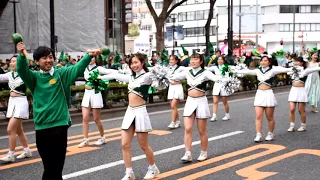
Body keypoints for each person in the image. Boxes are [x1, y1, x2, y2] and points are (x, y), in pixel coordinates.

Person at [16, 42, 103, 180]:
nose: (49, 60)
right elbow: (22, 70)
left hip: (59, 126)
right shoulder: (34, 78)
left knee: (54, 168)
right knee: (48, 167)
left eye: (50, 57)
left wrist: (89, 56)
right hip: (41, 126)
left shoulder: (61, 74)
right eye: (44, 58)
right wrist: (21, 54)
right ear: (37, 61)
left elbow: (77, 69)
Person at [101, 53, 160, 180]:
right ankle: (129, 173)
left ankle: (153, 168)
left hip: (140, 111)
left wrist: (157, 82)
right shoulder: (131, 78)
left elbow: (159, 78)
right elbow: (116, 75)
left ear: (142, 62)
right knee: (124, 144)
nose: (134, 65)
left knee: (143, 145)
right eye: (132, 63)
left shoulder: (147, 75)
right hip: (130, 111)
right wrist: (98, 77)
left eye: (136, 62)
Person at [171, 53, 221, 163]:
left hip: (201, 102)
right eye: (192, 59)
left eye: (196, 59)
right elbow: (174, 76)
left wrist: (224, 78)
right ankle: (188, 153)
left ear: (201, 61)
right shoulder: (187, 72)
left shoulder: (206, 73)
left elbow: (216, 78)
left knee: (201, 130)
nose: (193, 61)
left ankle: (204, 152)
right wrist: (161, 75)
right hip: (190, 101)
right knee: (188, 128)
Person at [234, 55, 291, 142]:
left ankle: (270, 133)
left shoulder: (273, 70)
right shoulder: (257, 71)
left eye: (265, 60)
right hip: (259, 94)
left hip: (268, 94)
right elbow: (247, 71)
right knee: (258, 116)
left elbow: (285, 69)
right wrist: (235, 70)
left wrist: (295, 69)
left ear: (269, 62)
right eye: (262, 61)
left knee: (269, 117)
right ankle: (258, 134)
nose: (263, 62)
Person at [78, 56, 117, 148]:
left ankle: (102, 137)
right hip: (87, 94)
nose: (91, 59)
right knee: (85, 118)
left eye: (92, 58)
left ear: (95, 59)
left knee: (96, 119)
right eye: (89, 58)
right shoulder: (84, 68)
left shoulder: (98, 68)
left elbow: (109, 71)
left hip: (96, 94)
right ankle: (85, 139)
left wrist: (122, 72)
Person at [0, 55, 32, 163]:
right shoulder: (10, 74)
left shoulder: (24, 74)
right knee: (19, 130)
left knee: (10, 129)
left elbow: (29, 63)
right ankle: (27, 151)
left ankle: (11, 154)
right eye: (11, 62)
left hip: (21, 103)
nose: (12, 63)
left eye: (15, 61)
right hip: (12, 103)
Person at [287, 57, 320, 132]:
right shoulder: (292, 70)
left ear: (302, 63)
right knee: (292, 109)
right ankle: (291, 126)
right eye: (295, 61)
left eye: (298, 61)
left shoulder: (306, 71)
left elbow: (316, 69)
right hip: (293, 90)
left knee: (301, 110)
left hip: (301, 90)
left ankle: (303, 125)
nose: (296, 62)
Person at [206, 56, 234, 121]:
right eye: (218, 59)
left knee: (225, 102)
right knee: (215, 101)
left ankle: (227, 114)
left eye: (221, 59)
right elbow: (206, 69)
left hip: (224, 85)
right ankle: (214, 115)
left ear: (224, 60)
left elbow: (232, 73)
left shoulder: (227, 67)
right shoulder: (215, 67)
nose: (219, 61)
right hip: (217, 84)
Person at [167, 55, 185, 129]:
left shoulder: (180, 68)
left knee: (173, 105)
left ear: (177, 61)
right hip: (171, 88)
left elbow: (188, 73)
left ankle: (173, 122)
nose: (171, 61)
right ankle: (177, 122)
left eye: (173, 59)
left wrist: (181, 81)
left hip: (177, 88)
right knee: (174, 107)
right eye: (170, 59)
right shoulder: (168, 69)